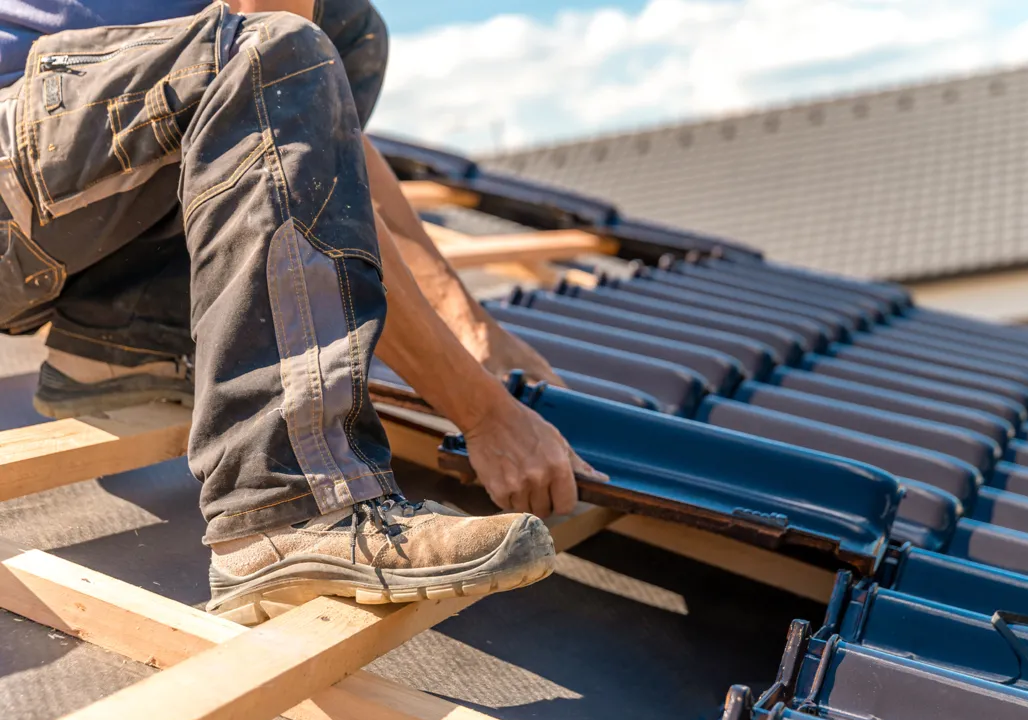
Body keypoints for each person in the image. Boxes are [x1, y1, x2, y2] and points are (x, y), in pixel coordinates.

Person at [0, 0, 602, 624]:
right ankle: (285, 506)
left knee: (346, 32)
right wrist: (484, 414)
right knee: (279, 50)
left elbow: (322, 146)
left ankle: (125, 337)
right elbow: (275, 91)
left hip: (52, 195)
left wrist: (472, 329)